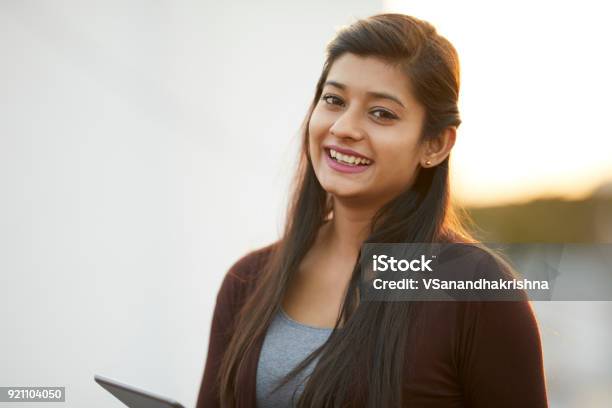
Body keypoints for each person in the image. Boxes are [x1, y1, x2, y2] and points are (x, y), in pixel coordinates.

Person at [196, 13, 548, 408]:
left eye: (382, 113)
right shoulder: (248, 280)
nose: (345, 127)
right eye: (334, 100)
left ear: (435, 145)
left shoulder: (473, 291)